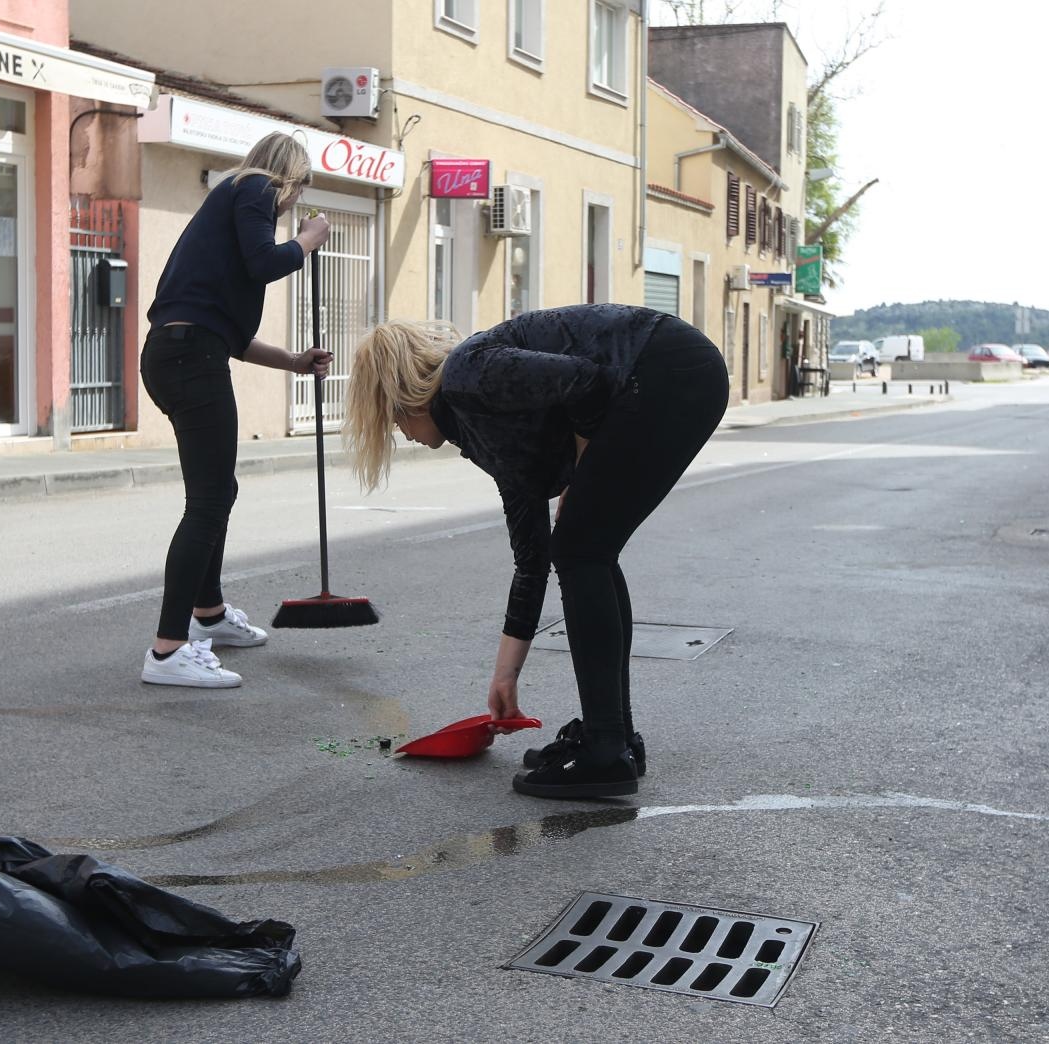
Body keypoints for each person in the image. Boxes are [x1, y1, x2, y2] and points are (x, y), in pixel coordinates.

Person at [342, 305, 729, 797]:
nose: (399, 432)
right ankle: (613, 738)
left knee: (583, 550)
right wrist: (506, 676)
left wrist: (585, 469)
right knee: (586, 549)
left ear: (404, 397)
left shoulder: (469, 374)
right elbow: (532, 555)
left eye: (392, 418)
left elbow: (589, 382)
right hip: (670, 373)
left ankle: (605, 748)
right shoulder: (480, 423)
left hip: (665, 367)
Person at [139, 132, 333, 688]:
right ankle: (168, 650)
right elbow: (264, 263)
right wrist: (307, 241)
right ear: (290, 177)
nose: (293, 202)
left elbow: (228, 335)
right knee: (208, 502)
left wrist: (294, 362)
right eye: (299, 191)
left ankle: (209, 615)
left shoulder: (228, 207)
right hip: (189, 358)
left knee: (217, 493)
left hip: (178, 353)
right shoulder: (255, 186)